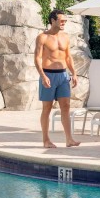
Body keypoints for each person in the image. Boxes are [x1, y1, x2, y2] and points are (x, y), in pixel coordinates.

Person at [34, 9, 80, 148]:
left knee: (66, 106)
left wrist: (74, 73)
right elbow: (37, 58)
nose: (63, 23)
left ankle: (69, 139)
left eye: (65, 21)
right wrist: (42, 76)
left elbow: (68, 57)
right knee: (47, 108)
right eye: (61, 20)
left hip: (63, 75)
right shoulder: (42, 37)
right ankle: (46, 140)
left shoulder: (65, 36)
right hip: (48, 74)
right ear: (53, 20)